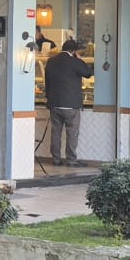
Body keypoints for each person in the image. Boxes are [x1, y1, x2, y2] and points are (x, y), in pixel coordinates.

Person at [42, 38, 88, 167]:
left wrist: (48, 97)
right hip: (71, 104)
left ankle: (56, 159)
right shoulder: (74, 61)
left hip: (54, 103)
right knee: (72, 133)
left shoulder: (51, 61)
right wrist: (79, 59)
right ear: (74, 51)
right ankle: (71, 160)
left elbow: (47, 81)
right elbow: (88, 73)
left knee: (56, 132)